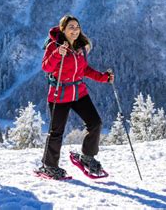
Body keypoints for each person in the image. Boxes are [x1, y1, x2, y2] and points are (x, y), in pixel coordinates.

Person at [39, 15, 114, 179]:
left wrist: (104, 77)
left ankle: (87, 156)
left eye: (77, 27)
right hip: (59, 94)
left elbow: (84, 69)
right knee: (56, 132)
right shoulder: (54, 46)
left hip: (79, 92)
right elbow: (46, 67)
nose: (75, 30)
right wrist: (58, 54)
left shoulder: (80, 47)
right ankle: (49, 166)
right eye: (71, 27)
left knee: (95, 123)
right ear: (63, 29)